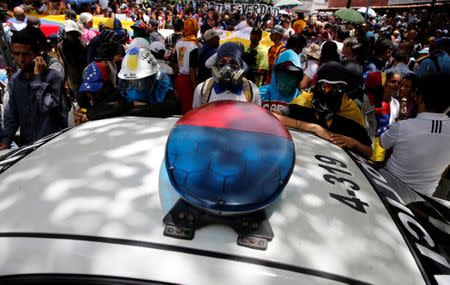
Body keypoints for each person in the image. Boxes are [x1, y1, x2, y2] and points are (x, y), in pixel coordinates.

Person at [273, 61, 372, 158]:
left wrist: (354, 143)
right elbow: (273, 117)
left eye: (338, 88)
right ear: (317, 86)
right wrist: (313, 127)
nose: (331, 92)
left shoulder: (351, 110)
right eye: (326, 87)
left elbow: (369, 152)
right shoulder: (305, 101)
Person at [380, 73, 450, 197]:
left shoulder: (403, 127)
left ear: (420, 98)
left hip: (388, 191)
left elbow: (383, 143)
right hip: (422, 200)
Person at [0, 28, 68, 150]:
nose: (20, 60)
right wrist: (6, 141)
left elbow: (47, 106)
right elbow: (12, 115)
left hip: (55, 144)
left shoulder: (53, 77)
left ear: (37, 55)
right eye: (16, 54)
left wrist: (38, 79)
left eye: (26, 54)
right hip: (29, 147)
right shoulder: (15, 80)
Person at [192, 42, 261, 108]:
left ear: (240, 66)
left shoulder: (251, 90)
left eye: (233, 63)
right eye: (222, 62)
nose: (227, 68)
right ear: (216, 65)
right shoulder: (203, 89)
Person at [118, 46, 179, 117]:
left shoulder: (164, 90)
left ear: (151, 79)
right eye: (129, 83)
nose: (133, 87)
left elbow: (171, 107)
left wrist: (138, 109)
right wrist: (130, 105)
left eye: (138, 83)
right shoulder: (122, 93)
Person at [174, 18, 199, 114]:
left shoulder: (179, 43)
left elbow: (176, 64)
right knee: (189, 110)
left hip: (179, 79)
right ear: (195, 29)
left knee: (180, 108)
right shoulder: (193, 46)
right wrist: (195, 85)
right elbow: (192, 69)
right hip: (188, 81)